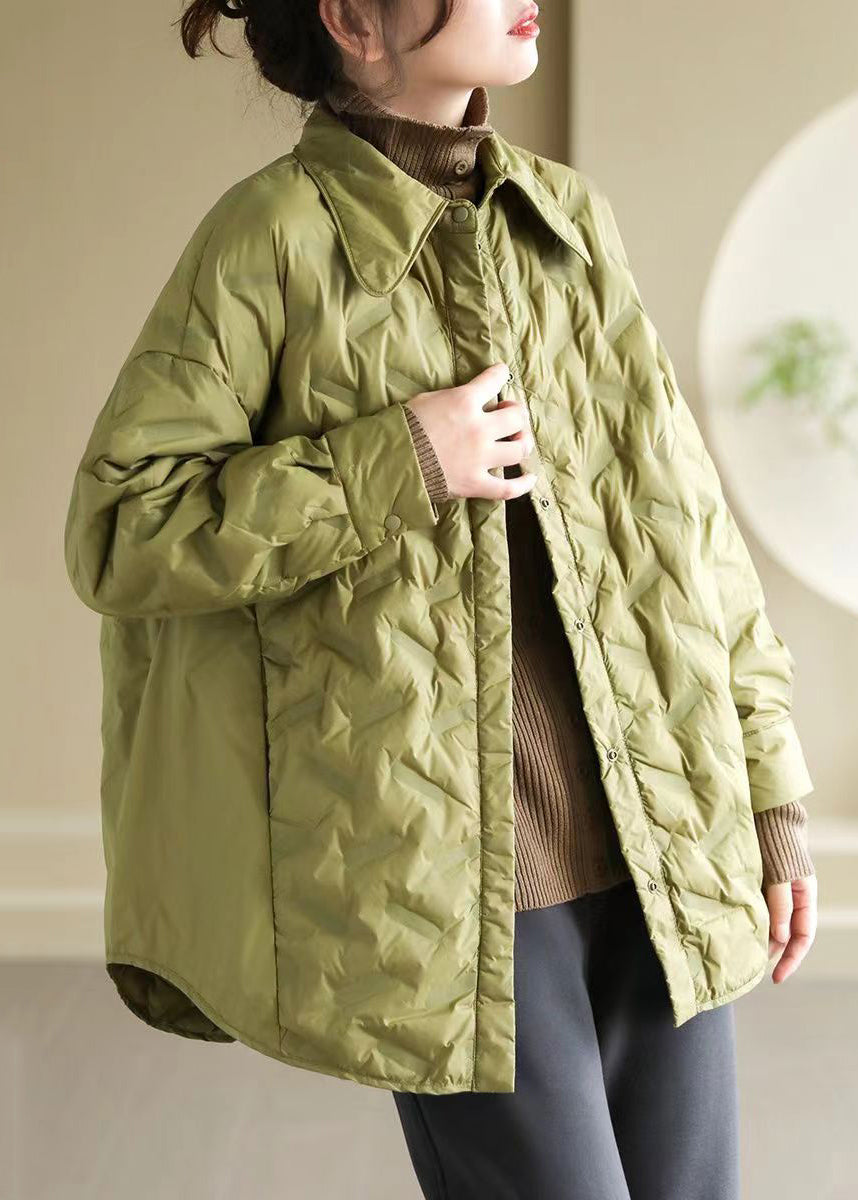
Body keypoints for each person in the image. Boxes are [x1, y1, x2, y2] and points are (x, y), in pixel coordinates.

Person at [63, 2, 818, 1197]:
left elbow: (690, 533)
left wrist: (769, 799)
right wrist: (401, 457)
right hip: (448, 885)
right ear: (356, 19)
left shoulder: (566, 218)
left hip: (663, 834)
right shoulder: (269, 239)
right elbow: (123, 530)